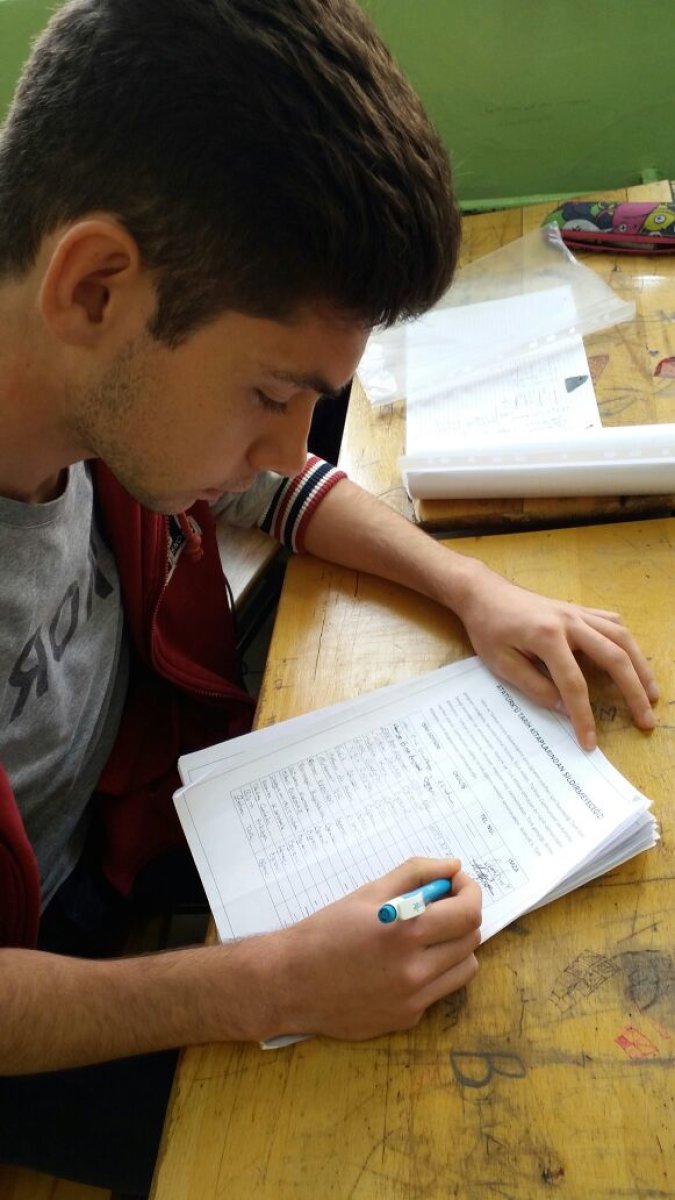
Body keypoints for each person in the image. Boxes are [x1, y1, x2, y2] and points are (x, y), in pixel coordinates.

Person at [0, 0, 658, 1194]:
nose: (286, 444)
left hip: (121, 828)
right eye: (269, 394)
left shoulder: (86, 376)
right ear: (93, 288)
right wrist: (270, 985)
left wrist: (473, 587)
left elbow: (278, 486)